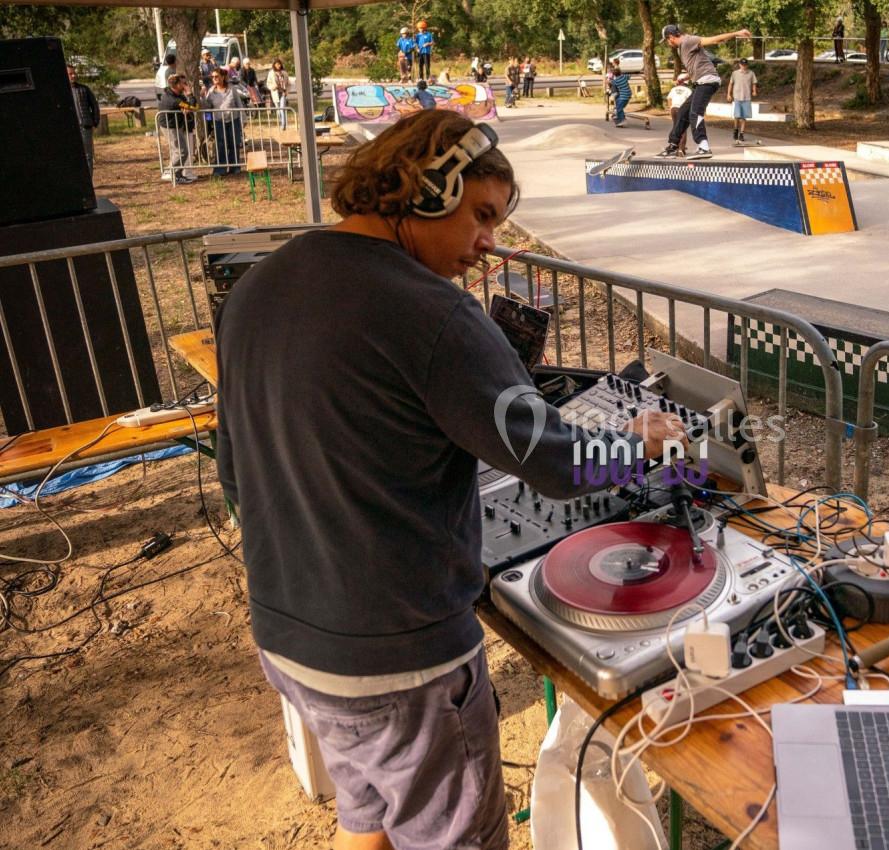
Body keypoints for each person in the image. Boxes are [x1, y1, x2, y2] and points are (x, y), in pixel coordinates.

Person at [215, 108, 687, 850]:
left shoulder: (260, 285)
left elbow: (234, 472)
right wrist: (641, 445)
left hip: (288, 638)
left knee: (366, 814)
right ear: (427, 187)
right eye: (482, 215)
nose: (489, 243)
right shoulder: (433, 314)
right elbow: (559, 463)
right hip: (400, 664)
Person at [659, 24, 752, 159]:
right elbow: (698, 65)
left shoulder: (688, 41)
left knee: (695, 113)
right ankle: (673, 145)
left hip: (708, 81)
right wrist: (687, 76)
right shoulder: (682, 49)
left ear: (671, 37)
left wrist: (737, 32)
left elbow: (714, 40)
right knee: (683, 112)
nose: (668, 44)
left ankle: (703, 147)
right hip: (701, 81)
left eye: (667, 41)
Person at [202, 67, 246, 175]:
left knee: (234, 143)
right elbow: (208, 108)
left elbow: (239, 104)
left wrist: (243, 119)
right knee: (220, 145)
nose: (214, 78)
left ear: (223, 77)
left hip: (233, 120)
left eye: (217, 76)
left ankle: (234, 167)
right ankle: (220, 169)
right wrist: (208, 123)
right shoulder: (211, 91)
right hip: (218, 121)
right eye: (212, 77)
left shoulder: (232, 89)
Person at [158, 73, 198, 184]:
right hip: (170, 127)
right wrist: (189, 94)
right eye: (184, 83)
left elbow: (193, 107)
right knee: (181, 151)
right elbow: (193, 107)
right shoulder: (172, 99)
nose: (186, 85)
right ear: (176, 85)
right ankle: (169, 172)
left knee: (181, 151)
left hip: (177, 125)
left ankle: (177, 174)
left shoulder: (177, 95)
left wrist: (187, 105)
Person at [67, 64, 100, 178]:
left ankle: (89, 180)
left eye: (74, 73)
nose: (73, 76)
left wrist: (95, 121)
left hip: (84, 127)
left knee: (87, 156)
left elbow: (94, 105)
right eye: (70, 74)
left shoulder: (84, 89)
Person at [727, 57, 757, 145]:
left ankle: (742, 134)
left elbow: (754, 83)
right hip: (737, 97)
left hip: (746, 97)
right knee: (737, 116)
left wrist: (754, 91)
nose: (744, 66)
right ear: (739, 65)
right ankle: (735, 130)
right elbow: (730, 84)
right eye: (742, 65)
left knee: (743, 117)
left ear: (747, 65)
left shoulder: (751, 73)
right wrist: (729, 94)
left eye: (745, 65)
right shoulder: (735, 73)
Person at [667, 72, 693, 155]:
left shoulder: (673, 89)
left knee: (676, 126)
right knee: (683, 128)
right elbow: (689, 102)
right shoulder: (689, 90)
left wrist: (670, 108)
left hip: (673, 109)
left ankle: (673, 144)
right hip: (682, 109)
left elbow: (669, 99)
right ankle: (681, 149)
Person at [267, 58, 290, 130]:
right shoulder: (271, 73)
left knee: (282, 108)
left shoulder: (284, 73)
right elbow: (268, 84)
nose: (278, 66)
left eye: (279, 64)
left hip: (283, 93)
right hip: (275, 93)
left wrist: (287, 91)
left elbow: (289, 84)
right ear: (274, 65)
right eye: (276, 64)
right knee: (278, 109)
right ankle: (281, 122)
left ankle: (283, 125)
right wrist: (273, 87)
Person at [609, 58, 632, 126]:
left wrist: (608, 80)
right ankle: (618, 115)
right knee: (618, 104)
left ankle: (623, 120)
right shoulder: (624, 76)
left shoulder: (615, 81)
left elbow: (610, 83)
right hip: (628, 93)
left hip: (624, 95)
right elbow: (629, 76)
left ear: (615, 75)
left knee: (619, 108)